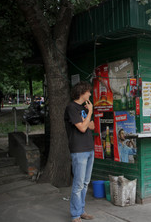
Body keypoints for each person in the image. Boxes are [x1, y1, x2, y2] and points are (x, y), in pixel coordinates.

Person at [64, 81, 95, 222]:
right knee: (78, 184)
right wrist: (89, 113)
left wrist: (86, 118)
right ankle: (75, 215)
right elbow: (82, 128)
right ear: (82, 92)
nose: (90, 94)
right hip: (79, 150)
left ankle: (81, 210)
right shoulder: (71, 108)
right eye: (88, 91)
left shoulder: (84, 108)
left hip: (89, 148)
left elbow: (92, 126)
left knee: (85, 183)